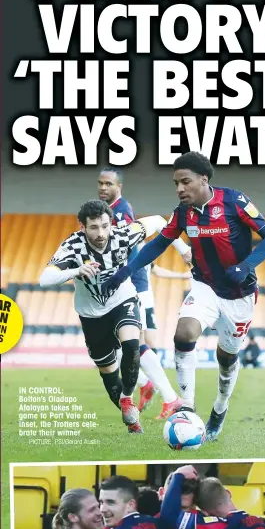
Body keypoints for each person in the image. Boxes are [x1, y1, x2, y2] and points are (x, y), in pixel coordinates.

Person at [101, 152, 265, 441]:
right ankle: (187, 406)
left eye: (185, 182)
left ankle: (219, 409)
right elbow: (158, 243)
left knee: (227, 358)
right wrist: (125, 272)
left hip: (239, 294)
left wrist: (245, 266)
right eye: (176, 183)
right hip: (204, 286)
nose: (179, 189)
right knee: (184, 334)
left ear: (203, 179)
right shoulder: (183, 213)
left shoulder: (234, 201)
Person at [39, 199, 173, 434]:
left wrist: (184, 251)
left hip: (123, 300)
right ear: (82, 227)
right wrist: (76, 270)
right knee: (109, 375)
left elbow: (160, 221)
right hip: (91, 315)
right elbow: (45, 278)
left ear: (110, 222)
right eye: (93, 227)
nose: (101, 233)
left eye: (104, 225)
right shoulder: (72, 246)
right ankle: (131, 419)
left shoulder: (123, 235)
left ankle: (128, 397)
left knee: (132, 345)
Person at [98, 167, 189, 420]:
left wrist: (184, 251)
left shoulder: (121, 212)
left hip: (131, 285)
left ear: (119, 187)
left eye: (108, 184)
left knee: (132, 343)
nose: (103, 188)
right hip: (124, 284)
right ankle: (151, 387)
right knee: (121, 344)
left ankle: (168, 396)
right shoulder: (109, 212)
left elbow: (155, 226)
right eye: (100, 183)